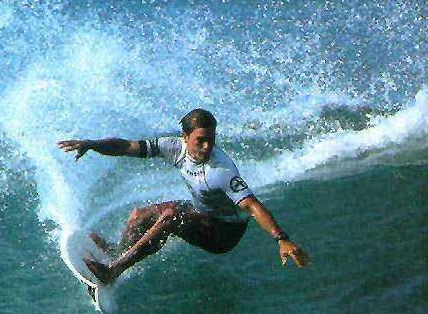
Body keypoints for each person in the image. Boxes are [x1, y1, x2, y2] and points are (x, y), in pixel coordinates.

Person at [57, 109, 311, 284]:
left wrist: (282, 239)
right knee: (139, 215)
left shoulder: (221, 171)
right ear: (185, 138)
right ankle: (117, 253)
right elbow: (126, 146)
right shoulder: (174, 148)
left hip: (224, 233)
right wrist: (92, 144)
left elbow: (253, 206)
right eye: (200, 140)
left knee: (171, 218)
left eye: (211, 140)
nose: (207, 146)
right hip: (202, 211)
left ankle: (114, 270)